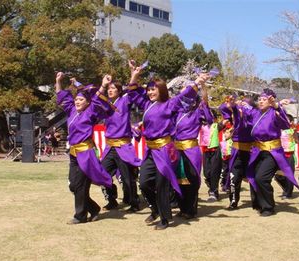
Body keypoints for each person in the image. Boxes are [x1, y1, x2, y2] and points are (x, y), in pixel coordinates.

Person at [126, 60, 209, 230]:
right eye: (148, 89)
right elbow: (133, 93)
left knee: (161, 184)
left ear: (161, 90)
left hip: (165, 149)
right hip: (150, 149)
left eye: (153, 89)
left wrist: (197, 83)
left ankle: (164, 219)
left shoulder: (169, 104)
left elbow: (184, 96)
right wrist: (134, 75)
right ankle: (155, 209)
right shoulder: (147, 104)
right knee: (143, 183)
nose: (150, 92)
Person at [56, 72, 114, 224]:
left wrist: (103, 85)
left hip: (85, 153)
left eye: (81, 99)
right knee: (73, 186)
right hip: (74, 153)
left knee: (80, 185)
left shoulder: (90, 111)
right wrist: (58, 81)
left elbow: (96, 99)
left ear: (87, 102)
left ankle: (80, 215)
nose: (77, 101)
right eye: (76, 99)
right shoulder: (71, 111)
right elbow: (61, 96)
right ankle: (93, 208)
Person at [246, 89, 299, 216]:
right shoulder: (255, 113)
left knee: (261, 178)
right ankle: (259, 203)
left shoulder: (275, 112)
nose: (261, 101)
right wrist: (236, 107)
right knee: (254, 177)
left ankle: (268, 207)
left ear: (270, 102)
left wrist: (277, 107)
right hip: (257, 150)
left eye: (264, 100)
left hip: (272, 152)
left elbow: (285, 124)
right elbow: (244, 119)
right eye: (259, 99)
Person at [99, 80, 142, 212]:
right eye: (109, 89)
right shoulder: (106, 105)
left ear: (119, 91)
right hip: (109, 147)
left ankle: (134, 203)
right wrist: (103, 85)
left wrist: (133, 74)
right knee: (101, 174)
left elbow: (132, 90)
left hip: (123, 146)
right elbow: (95, 99)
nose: (110, 91)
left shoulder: (124, 101)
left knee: (128, 178)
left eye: (113, 88)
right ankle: (112, 200)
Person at [173, 82, 213, 219]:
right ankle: (182, 207)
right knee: (178, 180)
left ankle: (190, 209)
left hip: (190, 150)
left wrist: (204, 89)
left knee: (191, 180)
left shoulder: (197, 112)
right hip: (176, 150)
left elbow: (208, 115)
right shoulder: (176, 112)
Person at [219, 95, 255, 209]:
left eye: (245, 104)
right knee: (234, 177)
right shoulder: (236, 115)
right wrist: (233, 104)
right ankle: (233, 202)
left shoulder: (254, 116)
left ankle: (256, 202)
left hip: (251, 152)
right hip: (237, 151)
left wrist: (248, 109)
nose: (242, 106)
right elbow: (223, 108)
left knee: (253, 178)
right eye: (242, 103)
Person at [199, 111, 225, 202]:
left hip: (215, 151)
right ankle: (212, 188)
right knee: (207, 173)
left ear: (214, 118)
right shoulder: (201, 126)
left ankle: (214, 192)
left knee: (214, 172)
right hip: (206, 152)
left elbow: (226, 121)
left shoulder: (216, 125)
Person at [274, 113, 298, 199]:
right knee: (278, 175)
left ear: (290, 122)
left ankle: (288, 193)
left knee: (289, 175)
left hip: (289, 156)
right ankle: (286, 188)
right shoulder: (278, 130)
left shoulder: (292, 130)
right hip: (280, 156)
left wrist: (294, 131)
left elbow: (297, 140)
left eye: (286, 119)